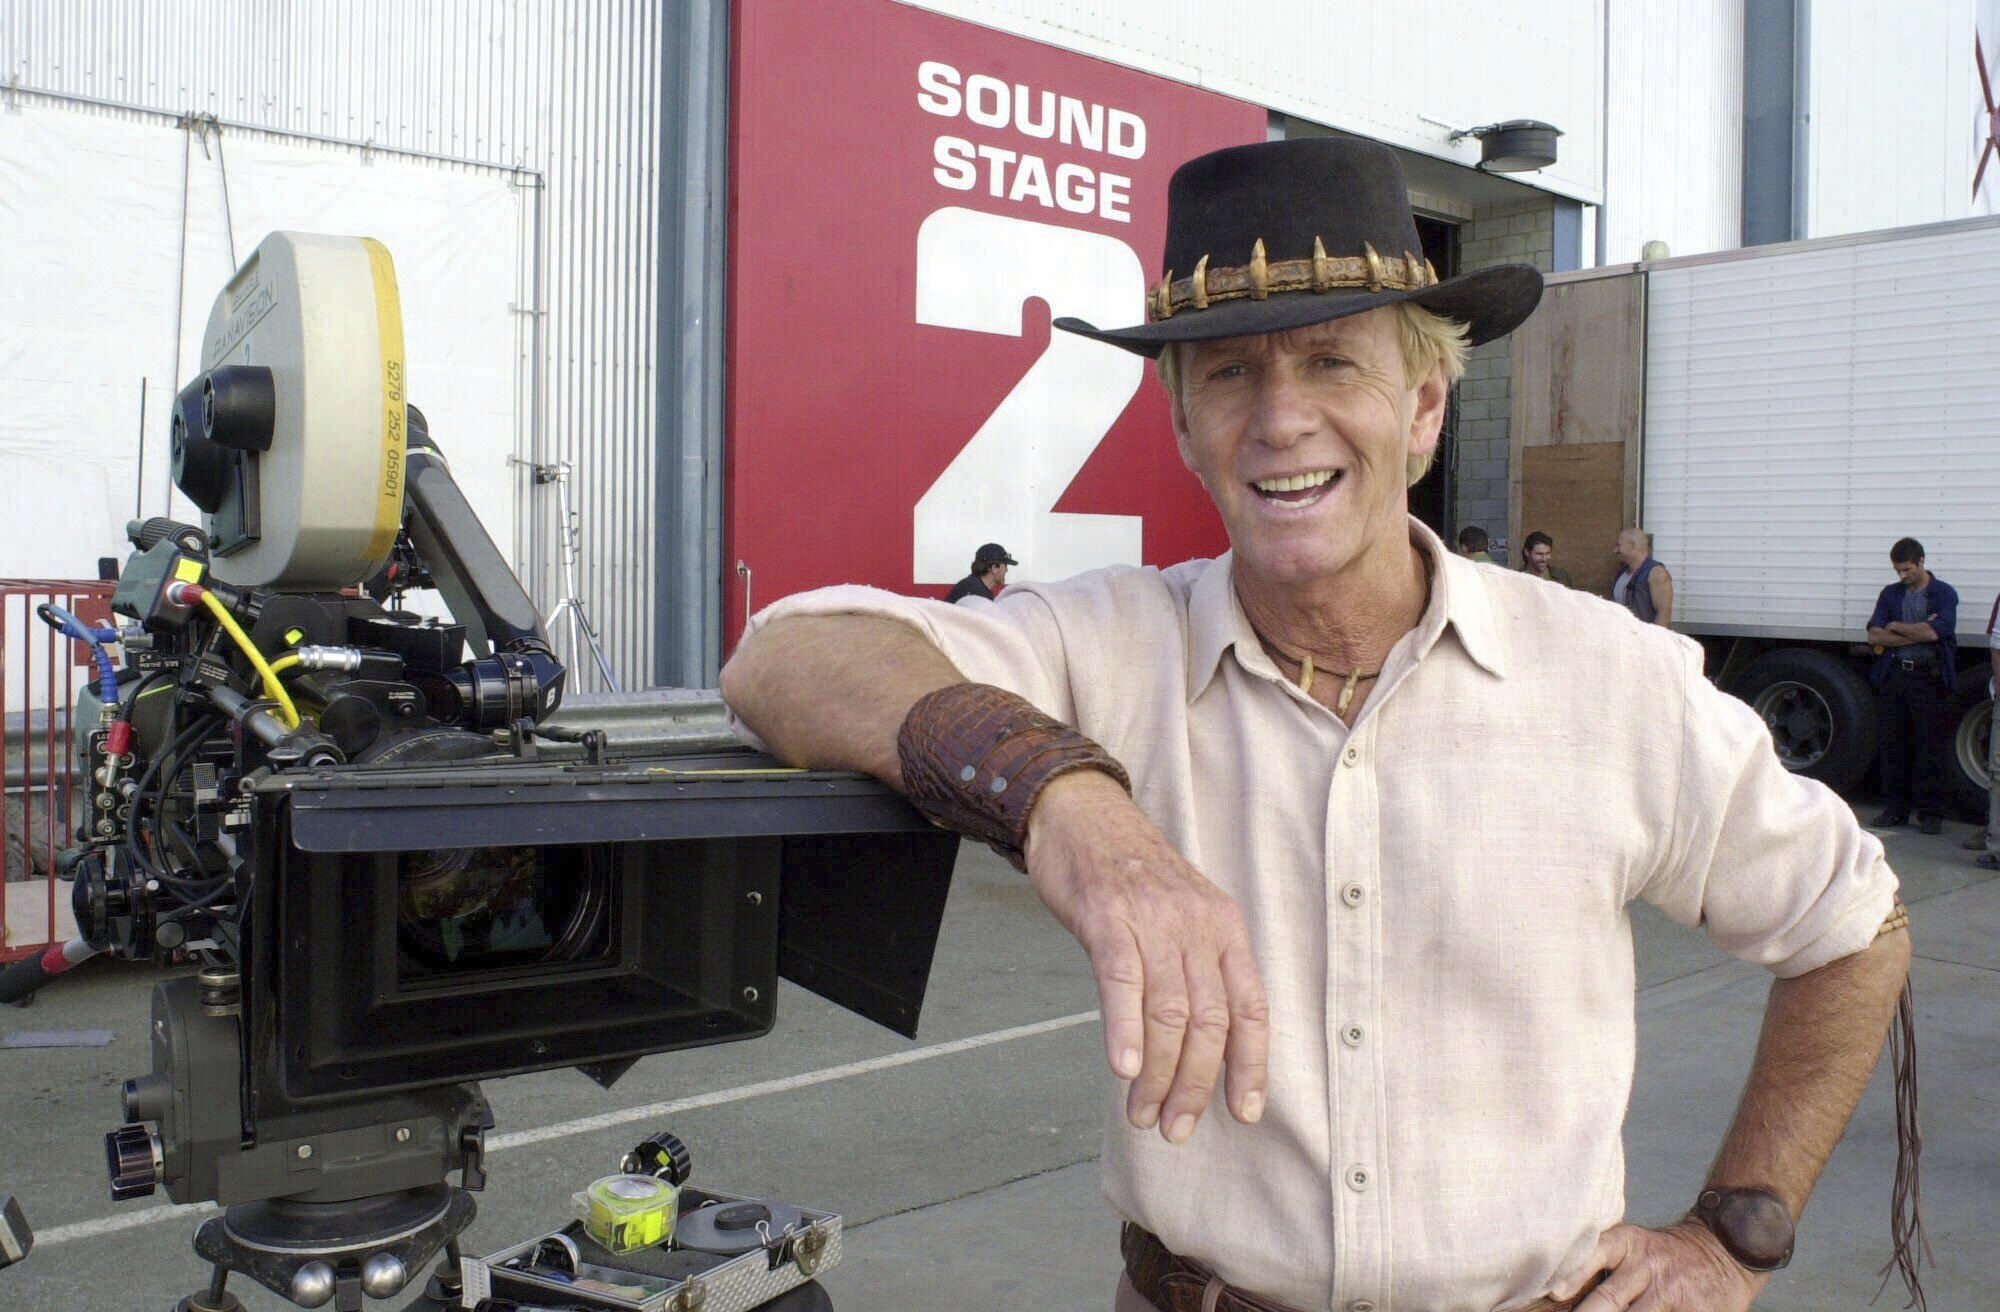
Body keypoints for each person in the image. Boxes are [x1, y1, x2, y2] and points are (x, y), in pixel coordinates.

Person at [721, 138, 1915, 1312]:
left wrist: (1729, 1240)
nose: (1280, 419)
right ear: (1183, 426)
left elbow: (1852, 927)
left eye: (1333, 362)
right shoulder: (1109, 643)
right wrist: (1068, 802)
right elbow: (788, 654)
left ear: (1425, 408)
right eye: (1229, 374)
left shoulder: (1608, 678)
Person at [1865, 539, 1959, 834]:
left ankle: (1931, 813)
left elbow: (1936, 632)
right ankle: (1896, 809)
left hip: (1927, 678)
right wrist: (1914, 633)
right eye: (1898, 570)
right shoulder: (1890, 594)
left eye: (1907, 569)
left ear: (1921, 562)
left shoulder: (1943, 593)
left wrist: (1896, 626)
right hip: (1895, 676)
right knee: (1894, 745)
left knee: (1929, 746)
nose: (1902, 576)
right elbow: (1874, 635)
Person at [1611, 528, 1672, 625]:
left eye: (1618, 545)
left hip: (1643, 638)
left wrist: (1653, 640)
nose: (1615, 551)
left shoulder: (1656, 573)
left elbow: (1664, 614)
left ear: (1632, 545)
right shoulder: (1621, 574)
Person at [943, 542, 1016, 604]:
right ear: (994, 568)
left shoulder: (974, 586)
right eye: (1005, 565)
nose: (1006, 570)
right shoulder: (976, 592)